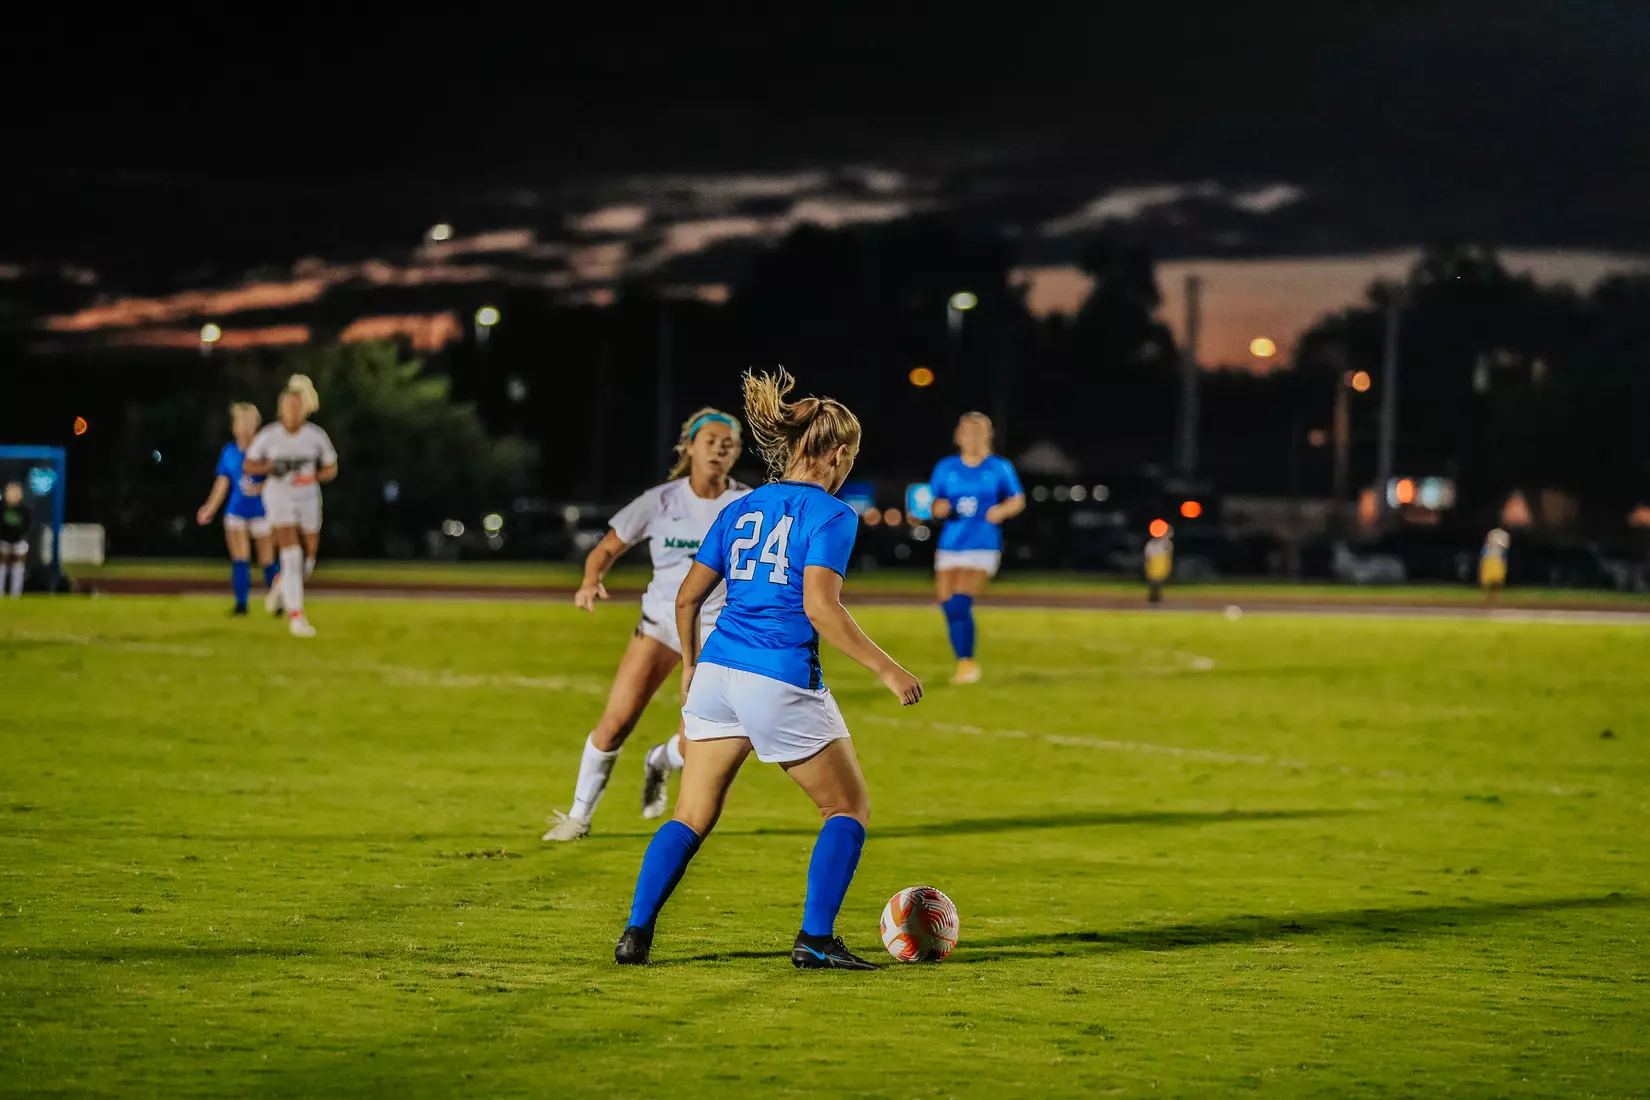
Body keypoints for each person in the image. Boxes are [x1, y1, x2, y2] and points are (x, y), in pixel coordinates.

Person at [614, 368, 923, 970]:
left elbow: (687, 599)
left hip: (717, 675)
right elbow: (819, 608)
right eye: (851, 457)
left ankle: (636, 932)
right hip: (777, 676)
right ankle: (814, 940)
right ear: (836, 453)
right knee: (846, 810)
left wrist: (690, 670)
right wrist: (888, 670)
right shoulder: (833, 516)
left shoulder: (743, 505)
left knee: (692, 815)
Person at [543, 408, 751, 842]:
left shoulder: (746, 504)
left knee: (698, 739)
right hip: (659, 626)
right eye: (710, 439)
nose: (719, 447)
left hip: (716, 633)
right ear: (689, 446)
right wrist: (589, 581)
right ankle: (578, 817)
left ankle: (660, 760)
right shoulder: (662, 500)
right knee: (616, 722)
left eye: (727, 442)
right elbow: (606, 548)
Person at [928, 413, 1025, 684]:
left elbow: (1017, 498)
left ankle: (967, 664)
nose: (971, 437)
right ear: (958, 436)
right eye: (966, 432)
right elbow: (934, 503)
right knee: (948, 604)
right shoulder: (946, 467)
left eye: (977, 432)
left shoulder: (998, 467)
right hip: (950, 544)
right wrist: (939, 508)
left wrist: (1002, 510)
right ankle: (963, 662)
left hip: (983, 544)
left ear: (987, 436)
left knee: (960, 601)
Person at [241, 374, 337, 637]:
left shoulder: (315, 436)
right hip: (278, 497)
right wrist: (269, 467)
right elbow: (248, 464)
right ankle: (297, 617)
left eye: (297, 407)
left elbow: (331, 468)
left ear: (304, 409)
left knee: (307, 560)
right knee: (291, 555)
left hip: (308, 498)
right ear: (280, 409)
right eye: (287, 407)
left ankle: (280, 586)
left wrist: (313, 476)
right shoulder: (270, 435)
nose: (292, 412)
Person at [196, 403, 279, 616]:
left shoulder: (264, 450)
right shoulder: (230, 452)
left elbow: (278, 478)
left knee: (267, 559)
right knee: (240, 559)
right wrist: (210, 507)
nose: (245, 427)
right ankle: (241, 604)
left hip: (262, 511)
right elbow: (222, 483)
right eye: (241, 422)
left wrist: (261, 487)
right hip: (236, 510)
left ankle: (277, 600)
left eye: (249, 422)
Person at [0, 481, 30, 598]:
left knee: (18, 567)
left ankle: (15, 594)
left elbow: (27, 527)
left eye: (16, 493)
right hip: (3, 540)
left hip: (19, 541)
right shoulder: (2, 508)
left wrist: (19, 538)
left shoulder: (24, 510)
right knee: (1, 566)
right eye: (11, 492)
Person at [1480, 527, 1510, 608]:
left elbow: (1504, 550)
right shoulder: (1488, 546)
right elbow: (1484, 552)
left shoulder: (1502, 542)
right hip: (1490, 561)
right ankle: (1488, 601)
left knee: (1497, 582)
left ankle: (1496, 601)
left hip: (1497, 561)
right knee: (1489, 582)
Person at [1144, 523, 1174, 604]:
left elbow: (1167, 551)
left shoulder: (1165, 544)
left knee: (1158, 583)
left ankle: (1156, 599)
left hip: (1160, 565)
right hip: (1154, 565)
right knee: (1154, 583)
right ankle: (1153, 598)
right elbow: (1148, 558)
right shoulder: (1151, 544)